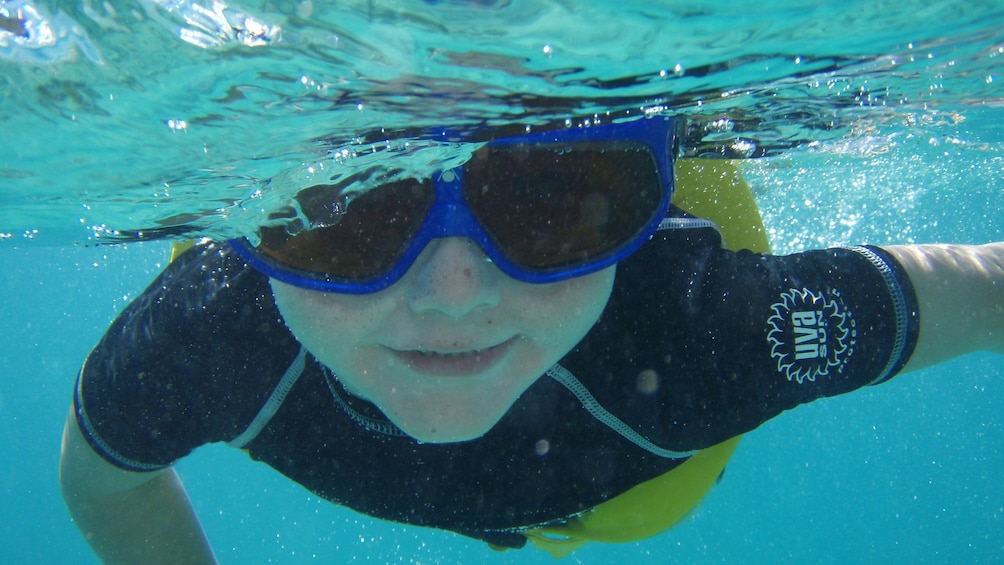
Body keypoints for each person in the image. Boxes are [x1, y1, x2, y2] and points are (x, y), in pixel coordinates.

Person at [59, 116, 1003, 564]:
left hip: (639, 472)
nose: (456, 296)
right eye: (342, 212)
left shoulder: (700, 334)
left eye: (550, 198)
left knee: (640, 513)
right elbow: (102, 477)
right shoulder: (214, 327)